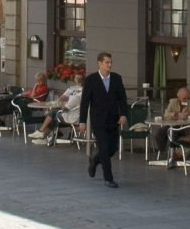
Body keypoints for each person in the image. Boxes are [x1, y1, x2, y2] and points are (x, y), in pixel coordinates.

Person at [79, 51, 129, 189]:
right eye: (107, 62)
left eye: (111, 62)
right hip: (98, 121)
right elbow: (85, 102)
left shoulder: (116, 78)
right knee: (104, 147)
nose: (109, 65)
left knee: (112, 148)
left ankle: (95, 160)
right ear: (100, 63)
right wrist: (82, 121)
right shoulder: (91, 80)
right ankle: (109, 178)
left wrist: (123, 114)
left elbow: (122, 99)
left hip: (113, 119)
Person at [29, 73, 83, 143]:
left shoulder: (77, 96)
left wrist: (60, 107)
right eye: (76, 78)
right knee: (53, 116)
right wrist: (58, 102)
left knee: (53, 113)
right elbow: (63, 97)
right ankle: (44, 137)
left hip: (73, 116)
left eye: (80, 79)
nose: (78, 80)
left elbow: (66, 107)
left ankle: (42, 132)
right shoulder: (73, 89)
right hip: (74, 114)